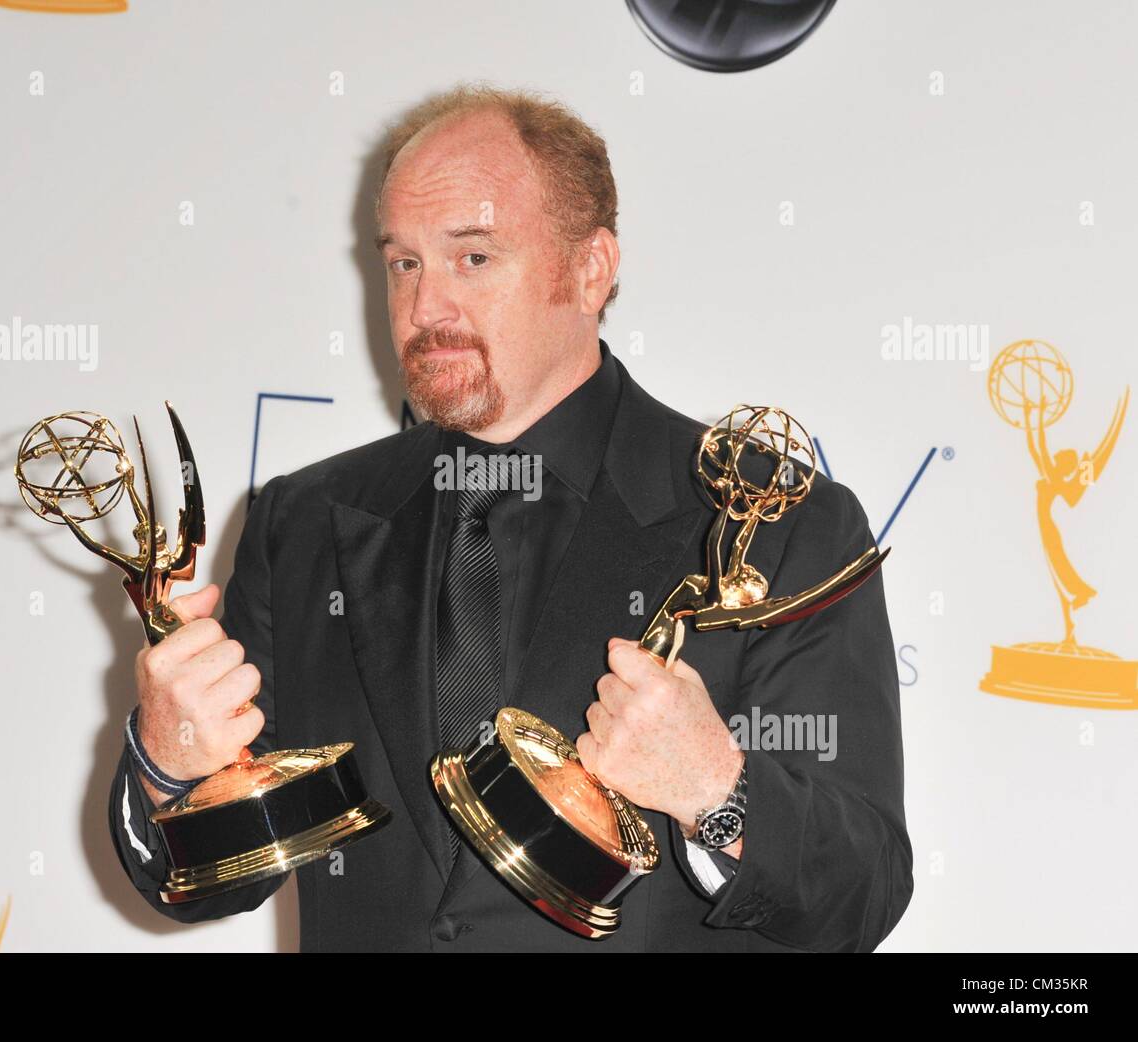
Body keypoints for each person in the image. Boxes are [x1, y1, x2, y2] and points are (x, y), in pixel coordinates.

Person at [107, 82, 913, 952]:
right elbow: (202, 886)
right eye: (403, 263)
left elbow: (861, 895)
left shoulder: (779, 520)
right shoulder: (303, 524)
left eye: (473, 258)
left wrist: (720, 793)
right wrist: (166, 766)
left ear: (591, 268)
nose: (424, 310)